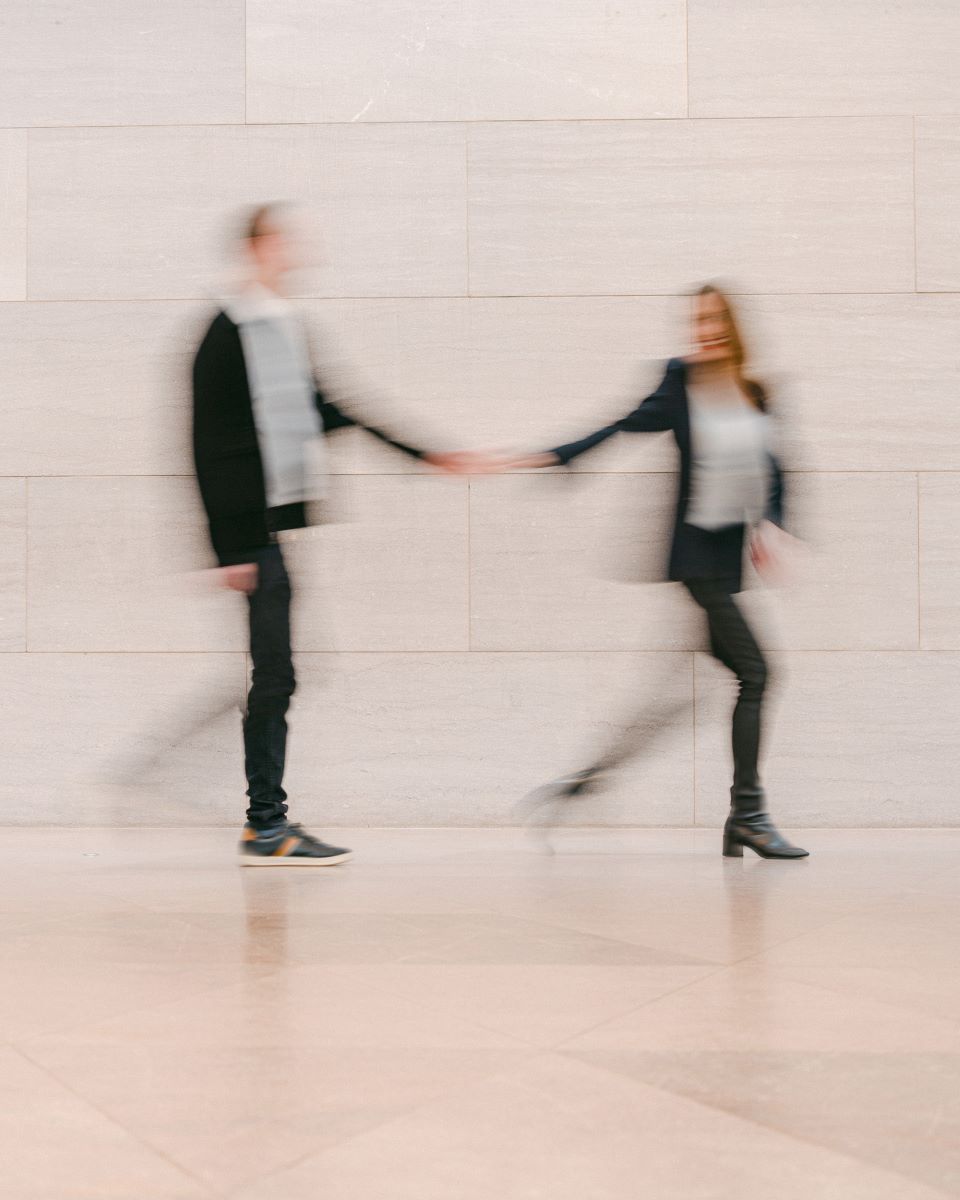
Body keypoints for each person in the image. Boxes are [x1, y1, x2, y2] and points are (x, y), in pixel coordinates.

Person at [192, 203, 467, 866]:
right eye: (285, 241)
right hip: (250, 533)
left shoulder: (283, 328)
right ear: (258, 247)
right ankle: (265, 822)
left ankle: (264, 818)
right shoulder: (228, 330)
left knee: (278, 672)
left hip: (271, 528)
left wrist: (422, 453)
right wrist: (226, 548)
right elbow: (208, 440)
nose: (296, 252)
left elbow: (330, 407)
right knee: (276, 673)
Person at [502, 284, 808, 860]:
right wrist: (559, 455)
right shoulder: (681, 380)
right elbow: (624, 425)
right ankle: (748, 815)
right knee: (758, 675)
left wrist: (771, 523)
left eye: (716, 318)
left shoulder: (755, 391)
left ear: (734, 326)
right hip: (697, 565)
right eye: (698, 319)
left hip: (726, 563)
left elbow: (776, 470)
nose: (705, 328)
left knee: (674, 700)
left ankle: (578, 787)